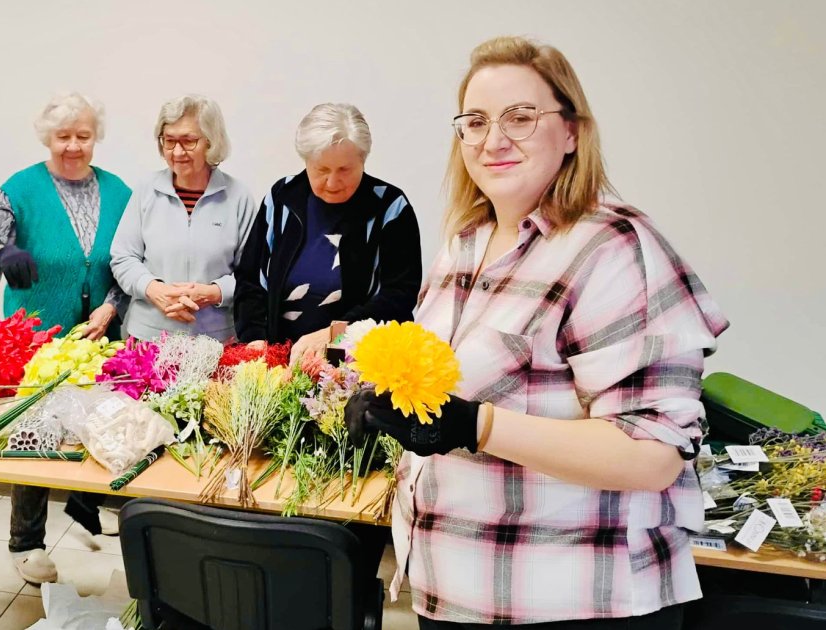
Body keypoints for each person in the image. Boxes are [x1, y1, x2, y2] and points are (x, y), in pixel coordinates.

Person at [345, 36, 729, 628]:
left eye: (520, 117)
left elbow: (652, 456)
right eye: (476, 122)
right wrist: (391, 401)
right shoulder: (462, 247)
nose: (494, 139)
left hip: (574, 603)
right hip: (453, 589)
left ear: (572, 131)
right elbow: (448, 390)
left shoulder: (611, 248)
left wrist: (478, 425)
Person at [0, 92, 129, 584]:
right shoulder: (22, 188)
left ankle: (90, 505)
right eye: (63, 136)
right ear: (46, 138)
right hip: (36, 333)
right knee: (34, 431)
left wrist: (112, 305)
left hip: (101, 329)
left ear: (96, 138)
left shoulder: (119, 192)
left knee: (102, 419)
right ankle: (26, 542)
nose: (73, 145)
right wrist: (0, 255)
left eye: (83, 136)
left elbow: (131, 260)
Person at [233, 103, 421, 363]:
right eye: (321, 170)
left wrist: (336, 335)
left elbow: (398, 298)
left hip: (355, 366)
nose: (333, 182)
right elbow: (250, 280)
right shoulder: (282, 199)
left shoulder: (390, 208)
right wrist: (255, 340)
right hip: (279, 365)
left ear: (363, 160)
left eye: (345, 170)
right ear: (306, 161)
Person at [110, 94, 258, 342]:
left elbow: (252, 274)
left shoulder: (237, 196)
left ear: (211, 141)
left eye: (189, 141)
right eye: (169, 141)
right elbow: (123, 257)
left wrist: (213, 293)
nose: (177, 152)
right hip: (149, 338)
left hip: (217, 340)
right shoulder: (146, 190)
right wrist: (154, 289)